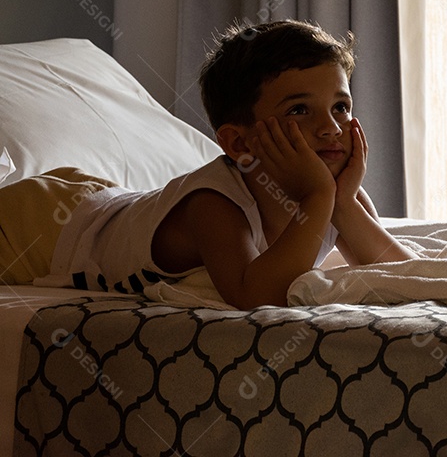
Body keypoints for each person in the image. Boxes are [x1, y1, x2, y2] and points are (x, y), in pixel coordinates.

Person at [38, 20, 416, 308]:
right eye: (300, 110)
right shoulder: (214, 204)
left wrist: (343, 203)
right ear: (238, 142)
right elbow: (252, 297)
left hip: (105, 199)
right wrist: (320, 197)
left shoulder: (338, 195)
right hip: (50, 222)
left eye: (341, 107)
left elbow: (404, 277)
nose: (331, 128)